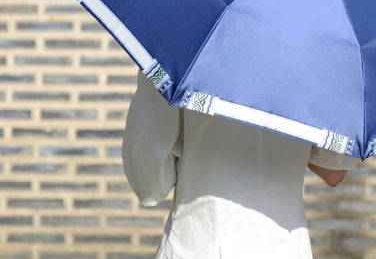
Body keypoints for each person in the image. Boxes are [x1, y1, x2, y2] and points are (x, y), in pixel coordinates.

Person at [122, 71, 359, 258]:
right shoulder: (318, 60)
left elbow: (149, 183)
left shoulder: (176, 48)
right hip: (285, 247)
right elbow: (334, 170)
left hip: (201, 243)